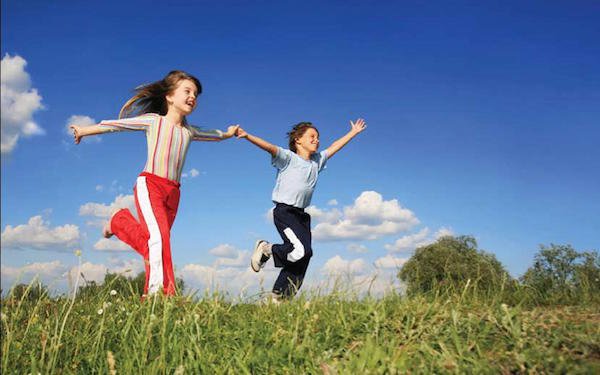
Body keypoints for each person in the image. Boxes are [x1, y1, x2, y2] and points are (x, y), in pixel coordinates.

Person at [70, 70, 238, 297]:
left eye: (196, 94)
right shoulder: (154, 121)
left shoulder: (189, 131)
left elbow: (214, 135)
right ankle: (160, 297)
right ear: (169, 96)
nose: (193, 97)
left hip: (173, 193)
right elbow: (116, 125)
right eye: (187, 91)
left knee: (158, 245)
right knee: (159, 241)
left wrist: (228, 133)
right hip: (150, 185)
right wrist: (84, 130)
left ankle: (119, 222)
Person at [236, 118, 366, 301]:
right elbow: (270, 147)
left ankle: (280, 298)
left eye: (318, 137)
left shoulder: (316, 162)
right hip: (285, 212)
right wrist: (247, 136)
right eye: (312, 136)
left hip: (302, 216)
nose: (317, 140)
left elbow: (335, 146)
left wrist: (353, 132)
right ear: (298, 140)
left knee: (305, 254)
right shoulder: (288, 158)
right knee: (300, 251)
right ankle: (266, 248)